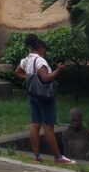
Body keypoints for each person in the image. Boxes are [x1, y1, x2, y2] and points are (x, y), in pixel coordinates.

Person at [15, 33, 75, 164]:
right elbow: (45, 78)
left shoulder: (27, 60)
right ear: (41, 49)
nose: (45, 52)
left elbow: (17, 71)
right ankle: (58, 157)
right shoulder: (40, 61)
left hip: (33, 94)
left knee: (35, 124)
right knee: (48, 126)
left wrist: (29, 78)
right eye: (45, 50)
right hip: (45, 96)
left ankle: (36, 156)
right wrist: (58, 70)